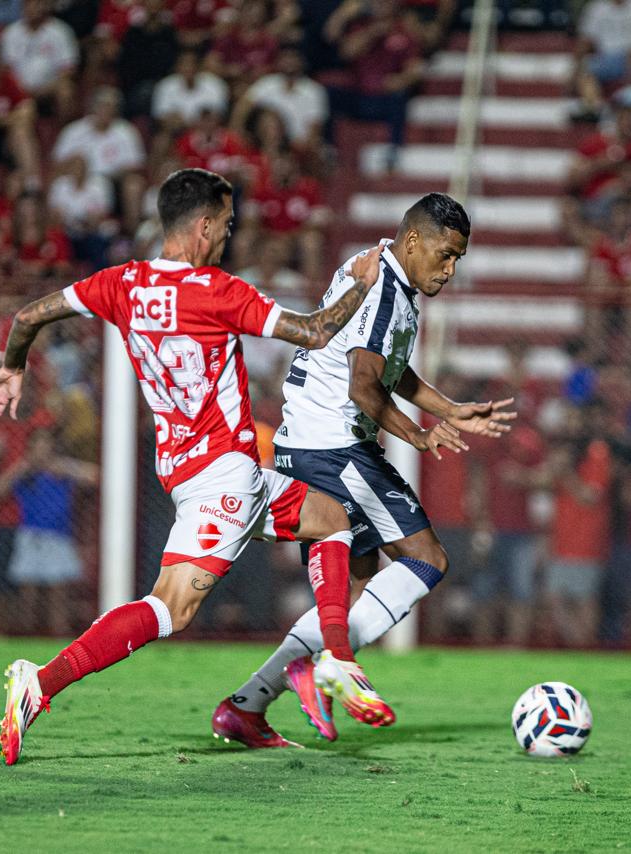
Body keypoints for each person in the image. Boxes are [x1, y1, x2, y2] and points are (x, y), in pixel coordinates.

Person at [0, 168, 392, 765]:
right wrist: (360, 282)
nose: (228, 237)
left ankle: (336, 660)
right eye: (225, 226)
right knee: (169, 609)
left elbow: (28, 317)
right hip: (222, 477)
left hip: (192, 468)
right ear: (202, 226)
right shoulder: (218, 291)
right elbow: (316, 331)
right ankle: (39, 684)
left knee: (332, 518)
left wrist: (13, 368)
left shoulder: (121, 283)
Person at [214, 193, 514, 747]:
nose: (450, 270)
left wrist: (447, 408)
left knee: (354, 589)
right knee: (426, 559)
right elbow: (363, 384)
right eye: (445, 255)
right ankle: (332, 664)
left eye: (459, 261)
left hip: (311, 443)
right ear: (415, 239)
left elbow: (384, 365)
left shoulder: (378, 268)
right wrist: (420, 435)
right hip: (334, 450)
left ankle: (247, 705)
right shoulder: (384, 290)